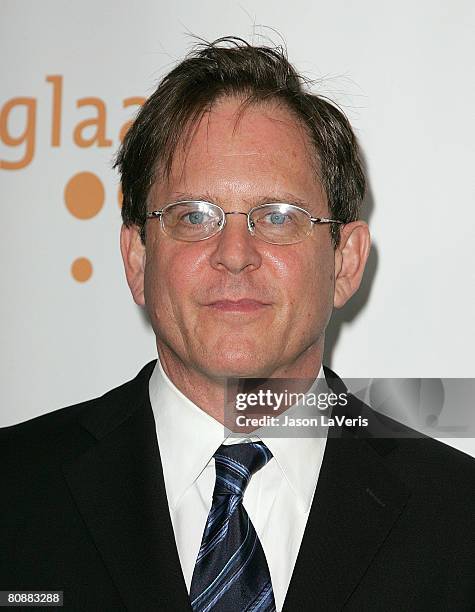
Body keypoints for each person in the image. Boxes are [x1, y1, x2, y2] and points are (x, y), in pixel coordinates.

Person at [1, 37, 474, 612]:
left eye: (278, 217)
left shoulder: (458, 518)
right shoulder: (15, 492)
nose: (233, 253)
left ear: (345, 261)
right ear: (138, 259)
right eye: (193, 216)